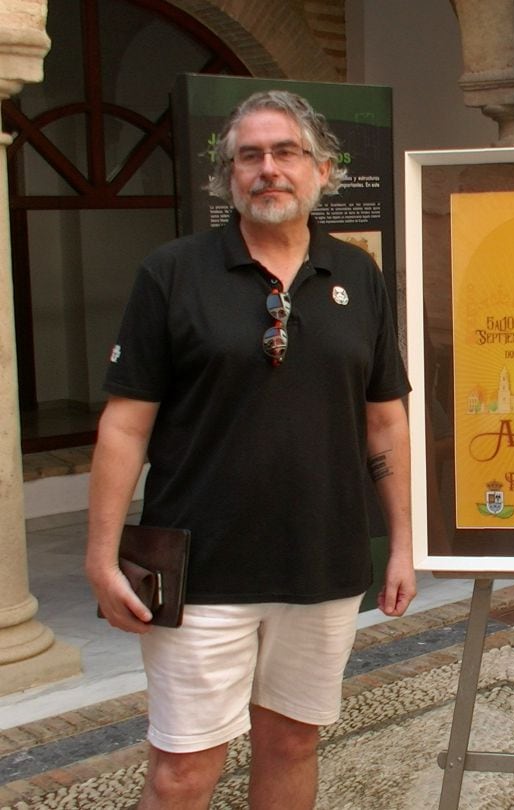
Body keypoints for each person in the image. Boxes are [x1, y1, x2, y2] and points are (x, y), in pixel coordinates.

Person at [85, 89, 415, 809]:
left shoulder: (358, 277)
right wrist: (101, 553)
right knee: (182, 772)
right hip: (198, 567)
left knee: (292, 743)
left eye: (287, 152)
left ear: (323, 170)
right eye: (250, 156)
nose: (269, 169)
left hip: (323, 562)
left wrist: (399, 543)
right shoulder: (171, 274)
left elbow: (384, 421)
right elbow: (124, 425)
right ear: (230, 177)